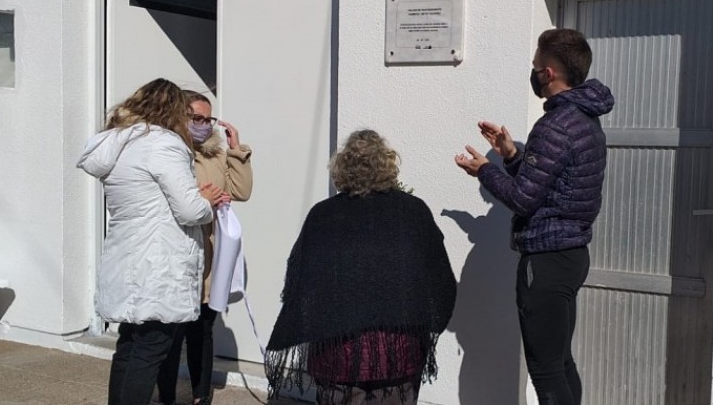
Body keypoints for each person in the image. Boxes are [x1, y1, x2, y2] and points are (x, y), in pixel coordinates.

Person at [454, 28, 614, 405]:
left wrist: (484, 171)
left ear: (549, 73)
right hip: (571, 254)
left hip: (545, 261)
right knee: (561, 363)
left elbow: (524, 198)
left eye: (536, 66)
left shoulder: (555, 125)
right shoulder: (584, 118)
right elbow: (548, 184)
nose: (533, 71)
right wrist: (510, 154)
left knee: (545, 371)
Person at [264, 130, 457, 405]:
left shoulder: (323, 215)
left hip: (337, 354)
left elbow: (297, 282)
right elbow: (440, 281)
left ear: (342, 167)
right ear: (387, 164)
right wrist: (427, 325)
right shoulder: (413, 211)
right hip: (397, 355)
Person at [77, 78, 229, 405]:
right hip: (159, 264)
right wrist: (207, 201)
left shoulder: (119, 143)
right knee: (150, 351)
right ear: (173, 111)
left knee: (129, 345)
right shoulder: (164, 144)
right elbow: (189, 210)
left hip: (127, 256)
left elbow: (150, 201)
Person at [156, 90, 254, 405]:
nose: (203, 124)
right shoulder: (167, 152)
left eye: (207, 118)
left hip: (209, 252)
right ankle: (167, 396)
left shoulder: (214, 153)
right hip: (178, 249)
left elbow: (242, 190)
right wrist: (203, 197)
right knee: (172, 332)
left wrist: (236, 148)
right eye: (196, 118)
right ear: (179, 116)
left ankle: (201, 395)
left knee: (203, 327)